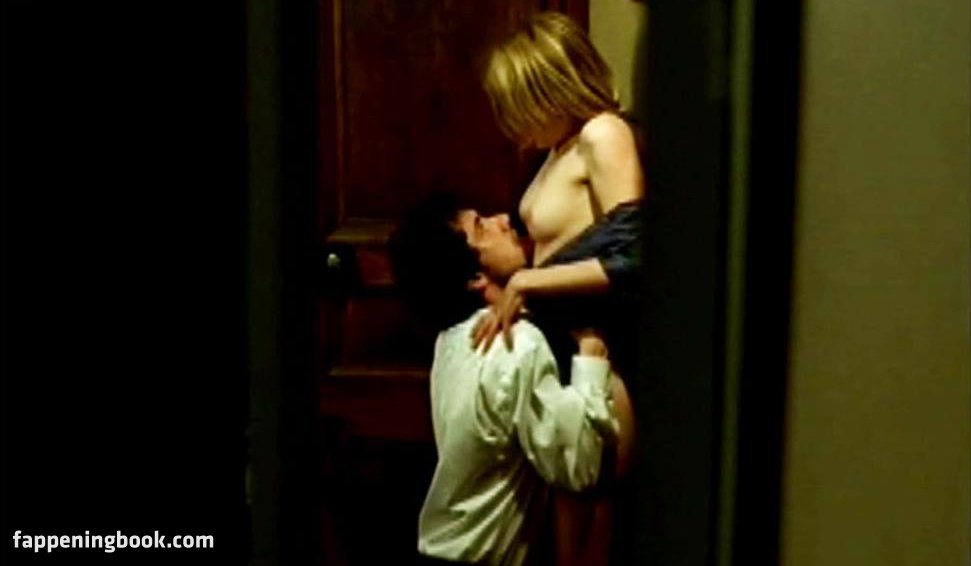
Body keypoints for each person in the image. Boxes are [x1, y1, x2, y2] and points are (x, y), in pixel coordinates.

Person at [478, 11, 646, 566]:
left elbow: (636, 254)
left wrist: (529, 281)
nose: (513, 126)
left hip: (597, 357)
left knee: (591, 537)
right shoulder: (559, 150)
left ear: (550, 89)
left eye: (520, 108)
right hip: (563, 354)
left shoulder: (603, 133)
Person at [389, 192, 624, 566]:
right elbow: (580, 468)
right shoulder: (515, 344)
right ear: (475, 277)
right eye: (481, 227)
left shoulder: (451, 341)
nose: (503, 219)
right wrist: (591, 360)